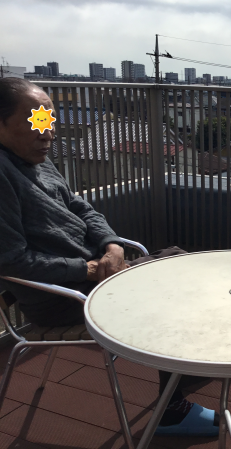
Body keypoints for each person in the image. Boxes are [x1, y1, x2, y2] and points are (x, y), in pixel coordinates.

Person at [0, 78, 218, 437]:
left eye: (49, 120)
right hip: (63, 298)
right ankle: (171, 411)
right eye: (34, 120)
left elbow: (82, 209)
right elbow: (11, 260)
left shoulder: (39, 160)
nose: (48, 132)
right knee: (169, 295)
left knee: (179, 259)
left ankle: (182, 371)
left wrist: (112, 245)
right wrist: (87, 270)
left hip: (96, 276)